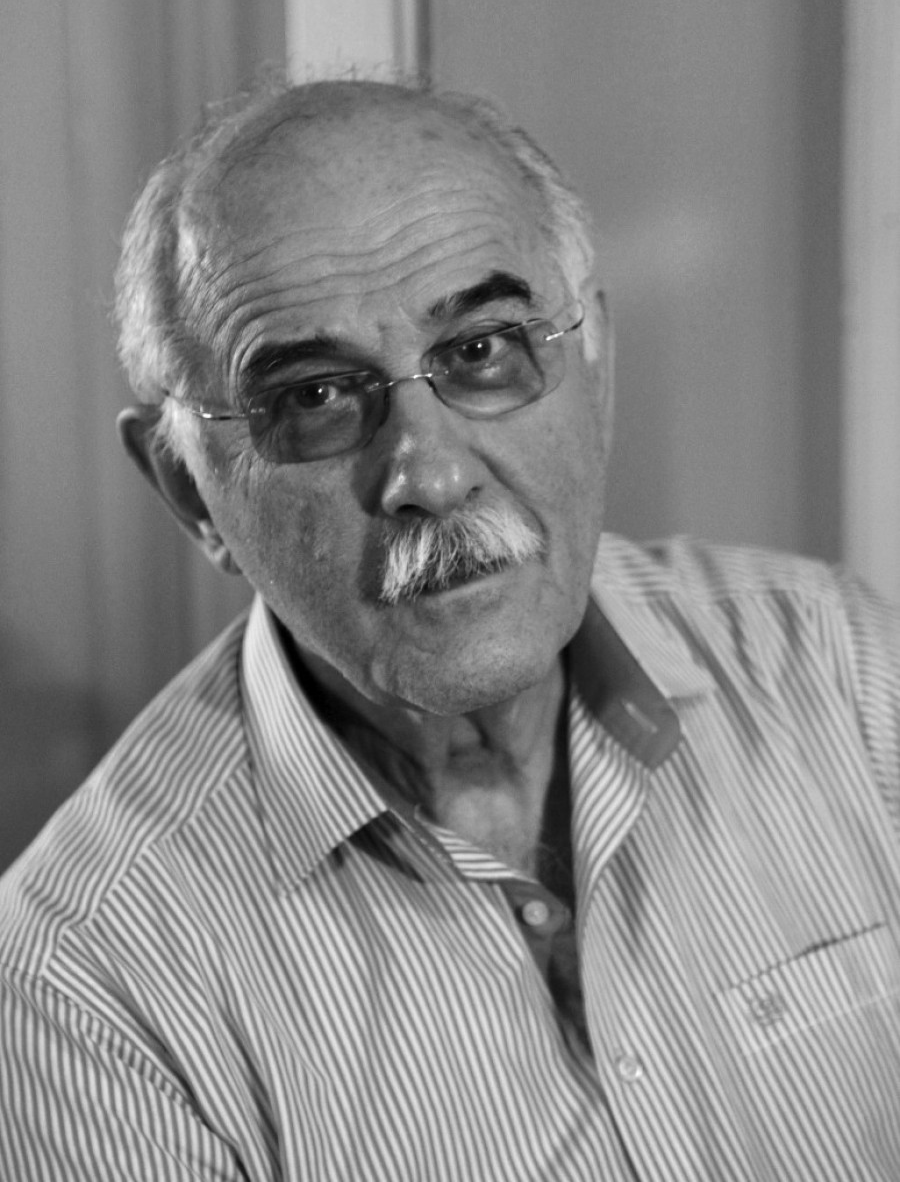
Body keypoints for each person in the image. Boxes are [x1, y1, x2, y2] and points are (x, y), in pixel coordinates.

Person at [2, 76, 900, 1182]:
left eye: (481, 351)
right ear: (191, 491)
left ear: (596, 367)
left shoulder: (845, 674)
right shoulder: (83, 990)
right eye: (316, 398)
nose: (428, 474)